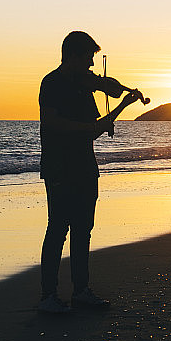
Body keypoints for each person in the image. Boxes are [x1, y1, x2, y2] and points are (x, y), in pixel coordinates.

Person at [38, 30, 143, 314]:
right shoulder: (52, 83)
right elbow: (52, 123)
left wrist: (121, 105)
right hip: (59, 166)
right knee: (58, 229)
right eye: (88, 58)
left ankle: (81, 291)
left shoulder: (85, 89)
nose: (92, 66)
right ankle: (48, 295)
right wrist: (92, 126)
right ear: (73, 55)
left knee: (83, 230)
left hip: (84, 165)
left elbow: (94, 130)